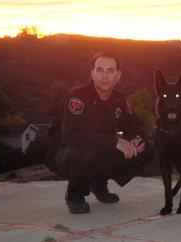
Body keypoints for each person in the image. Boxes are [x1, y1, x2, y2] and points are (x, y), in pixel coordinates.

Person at [45, 52, 154, 214]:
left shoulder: (118, 99)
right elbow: (71, 136)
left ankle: (98, 182)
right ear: (92, 73)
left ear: (118, 75)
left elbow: (133, 125)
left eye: (110, 71)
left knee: (148, 150)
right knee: (86, 150)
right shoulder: (77, 96)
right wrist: (115, 142)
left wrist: (136, 140)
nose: (105, 76)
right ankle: (74, 194)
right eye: (100, 70)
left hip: (99, 149)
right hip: (65, 154)